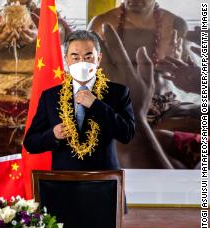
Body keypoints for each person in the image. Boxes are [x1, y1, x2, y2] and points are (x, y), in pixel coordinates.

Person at [23, 30, 135, 170]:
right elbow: (30, 143)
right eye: (75, 57)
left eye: (88, 57)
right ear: (67, 59)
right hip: (64, 182)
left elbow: (127, 134)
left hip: (103, 180)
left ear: (98, 58)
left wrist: (96, 105)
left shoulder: (117, 92)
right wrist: (53, 134)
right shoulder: (51, 96)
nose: (82, 62)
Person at [88, 0, 199, 133]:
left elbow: (189, 81)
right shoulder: (101, 23)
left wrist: (177, 65)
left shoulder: (176, 24)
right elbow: (84, 75)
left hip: (165, 108)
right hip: (116, 108)